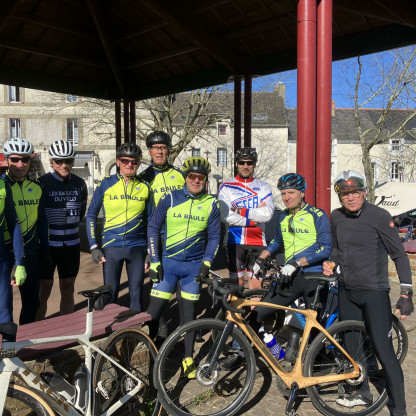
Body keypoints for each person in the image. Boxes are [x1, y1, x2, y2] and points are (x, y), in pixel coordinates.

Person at [323, 170, 412, 416]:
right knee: (352, 347)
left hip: (374, 292)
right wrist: (331, 262)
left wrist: (406, 293)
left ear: (363, 192)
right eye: (345, 194)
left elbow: (399, 254)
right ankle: (361, 391)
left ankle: (399, 408)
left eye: (354, 192)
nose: (350, 198)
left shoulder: (380, 216)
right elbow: (336, 250)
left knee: (383, 350)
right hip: (346, 291)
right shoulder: (336, 216)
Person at [146, 156, 220, 378]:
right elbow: (153, 227)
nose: (196, 181)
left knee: (189, 316)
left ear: (205, 180)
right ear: (186, 177)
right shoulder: (169, 197)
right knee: (153, 314)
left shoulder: (211, 204)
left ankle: (188, 358)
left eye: (201, 177)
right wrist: (154, 260)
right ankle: (152, 357)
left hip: (192, 269)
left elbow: (214, 237)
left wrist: (207, 262)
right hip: (167, 266)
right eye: (192, 176)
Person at [251, 173, 332, 330]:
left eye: (291, 192)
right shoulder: (283, 215)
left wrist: (297, 263)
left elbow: (326, 249)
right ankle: (266, 344)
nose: (286, 197)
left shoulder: (317, 215)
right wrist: (261, 258)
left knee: (314, 331)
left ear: (302, 193)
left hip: (313, 278)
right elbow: (277, 241)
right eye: (283, 193)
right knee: (256, 316)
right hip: (290, 277)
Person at [86, 142, 151, 312]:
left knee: (136, 294)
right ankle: (111, 329)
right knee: (110, 294)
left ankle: (135, 328)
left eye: (134, 161)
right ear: (118, 162)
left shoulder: (145, 186)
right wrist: (93, 246)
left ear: (139, 163)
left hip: (137, 247)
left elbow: (151, 221)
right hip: (112, 246)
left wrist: (150, 250)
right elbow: (91, 215)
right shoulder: (106, 184)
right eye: (125, 161)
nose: (129, 164)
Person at [137, 131, 185, 339]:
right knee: (158, 281)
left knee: (184, 280)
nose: (159, 152)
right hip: (157, 236)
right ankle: (160, 325)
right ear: (149, 151)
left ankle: (187, 324)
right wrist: (147, 248)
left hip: (180, 235)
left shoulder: (180, 174)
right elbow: (141, 215)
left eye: (163, 148)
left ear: (168, 150)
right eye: (155, 148)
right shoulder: (143, 178)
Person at [36, 140, 88, 320]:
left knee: (68, 288)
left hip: (71, 245)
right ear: (51, 161)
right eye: (59, 161)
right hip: (48, 246)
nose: (64, 165)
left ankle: (67, 328)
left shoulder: (80, 183)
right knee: (44, 290)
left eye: (68, 161)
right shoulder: (42, 183)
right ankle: (38, 330)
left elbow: (81, 212)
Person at [2, 137, 50, 325]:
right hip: (4, 252)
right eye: (15, 159)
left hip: (29, 251)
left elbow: (42, 220)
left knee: (32, 303)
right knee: (4, 307)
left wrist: (45, 249)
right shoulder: (2, 186)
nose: (20, 164)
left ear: (31, 160)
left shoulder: (37, 187)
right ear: (7, 160)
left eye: (25, 159)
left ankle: (24, 339)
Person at [218, 147, 275, 289]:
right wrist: (253, 220)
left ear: (254, 164)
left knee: (256, 288)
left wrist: (239, 210)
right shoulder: (226, 186)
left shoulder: (263, 186)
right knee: (235, 288)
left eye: (249, 163)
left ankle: (254, 305)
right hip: (234, 241)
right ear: (236, 163)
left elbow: (267, 214)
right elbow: (226, 216)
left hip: (258, 241)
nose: (245, 166)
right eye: (242, 162)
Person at [0, 176, 26, 341]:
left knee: (6, 320)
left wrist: (19, 262)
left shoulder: (3, 185)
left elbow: (14, 223)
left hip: (1, 261)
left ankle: (8, 355)